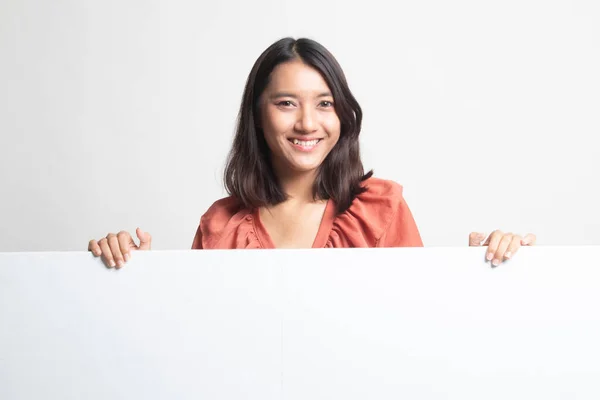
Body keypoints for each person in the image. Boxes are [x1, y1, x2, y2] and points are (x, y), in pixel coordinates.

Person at [88, 37, 536, 269]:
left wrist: (488, 269)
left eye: (325, 103)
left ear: (342, 114)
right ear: (257, 116)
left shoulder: (381, 207)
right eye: (286, 103)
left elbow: (419, 323)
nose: (307, 123)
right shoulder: (219, 226)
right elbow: (191, 341)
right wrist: (138, 280)